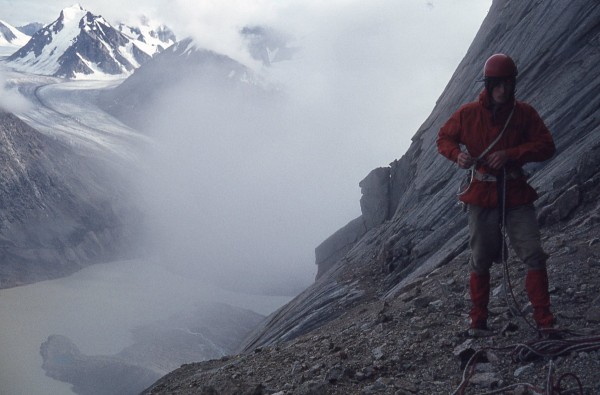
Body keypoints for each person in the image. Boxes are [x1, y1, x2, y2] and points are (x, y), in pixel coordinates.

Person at [436, 53, 556, 331]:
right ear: (488, 85)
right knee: (480, 258)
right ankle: (478, 320)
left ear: (514, 84)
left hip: (515, 192)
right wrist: (457, 155)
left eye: (508, 83)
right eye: (498, 84)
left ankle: (544, 321)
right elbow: (443, 138)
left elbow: (547, 146)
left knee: (533, 253)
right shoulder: (468, 114)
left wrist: (512, 154)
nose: (503, 90)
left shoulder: (524, 114)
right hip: (482, 194)